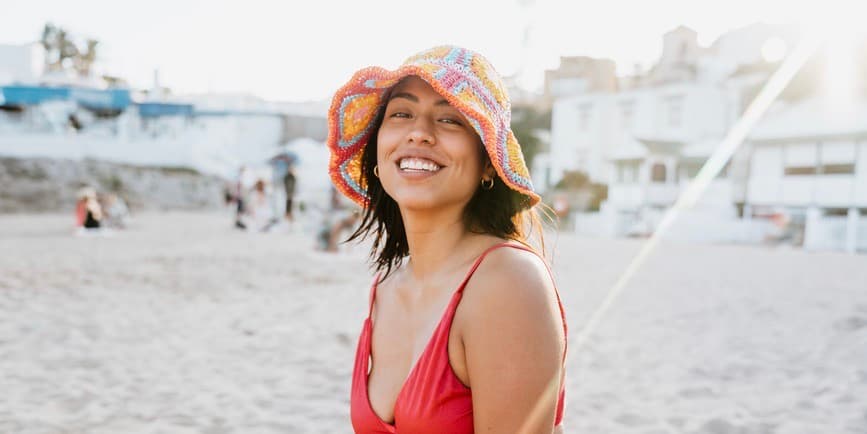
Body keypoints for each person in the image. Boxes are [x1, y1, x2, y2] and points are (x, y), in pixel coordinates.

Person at [327, 46, 567, 433]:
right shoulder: (387, 284)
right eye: (401, 114)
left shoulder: (507, 282)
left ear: (488, 160)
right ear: (377, 149)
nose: (419, 133)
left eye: (450, 119)